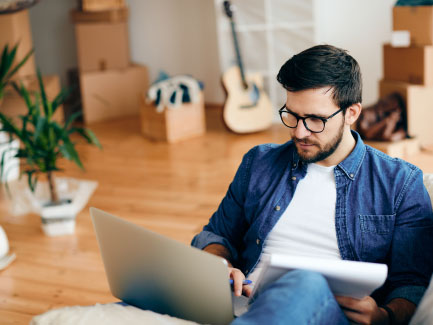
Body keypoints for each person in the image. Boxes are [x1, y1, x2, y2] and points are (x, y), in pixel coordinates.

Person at [191, 45, 433, 324]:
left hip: (325, 313)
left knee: (306, 283)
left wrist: (384, 316)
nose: (299, 131)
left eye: (315, 120)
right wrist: (222, 266)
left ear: (352, 112)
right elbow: (216, 236)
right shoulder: (259, 162)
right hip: (243, 306)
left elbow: (413, 284)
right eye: (291, 115)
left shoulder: (400, 183)